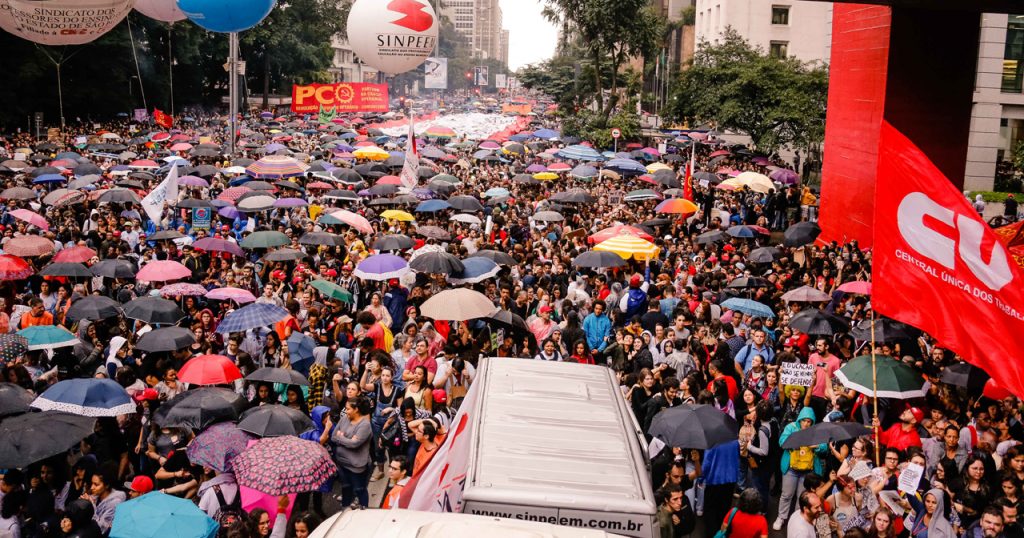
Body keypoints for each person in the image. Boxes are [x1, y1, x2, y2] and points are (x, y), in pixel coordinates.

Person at [326, 395, 372, 509]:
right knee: (346, 487)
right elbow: (333, 436)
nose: (346, 411)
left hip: (356, 466)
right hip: (342, 463)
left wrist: (341, 437)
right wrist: (348, 439)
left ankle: (364, 510)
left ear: (356, 409)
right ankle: (345, 510)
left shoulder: (365, 425)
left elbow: (354, 444)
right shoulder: (345, 418)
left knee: (359, 489)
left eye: (348, 408)